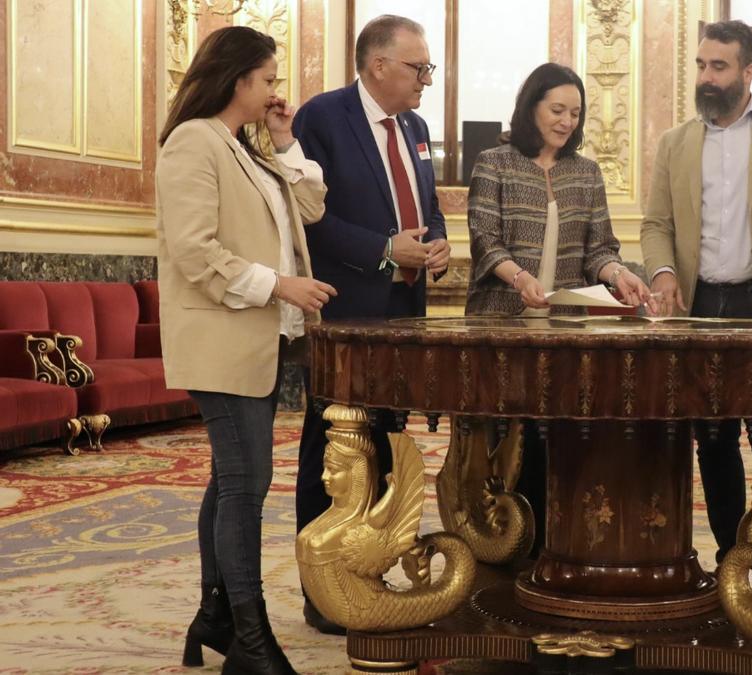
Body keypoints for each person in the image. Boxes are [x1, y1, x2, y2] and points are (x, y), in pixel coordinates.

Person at [156, 26, 333, 674]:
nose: (275, 91)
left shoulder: (245, 148)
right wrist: (280, 284)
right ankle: (250, 640)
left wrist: (284, 140)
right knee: (245, 481)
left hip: (253, 340)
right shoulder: (192, 143)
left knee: (233, 480)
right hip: (219, 339)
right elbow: (194, 251)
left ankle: (217, 616)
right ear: (238, 80)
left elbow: (311, 204)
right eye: (267, 80)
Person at [639, 19, 752, 563]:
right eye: (701, 65)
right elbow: (655, 225)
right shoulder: (675, 143)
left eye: (718, 66)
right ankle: (730, 554)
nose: (706, 76)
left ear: (748, 70)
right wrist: (663, 273)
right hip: (699, 308)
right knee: (713, 437)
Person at [290, 14, 450, 634]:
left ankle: (370, 574)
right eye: (419, 68)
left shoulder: (415, 127)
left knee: (386, 442)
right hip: (346, 311)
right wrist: (386, 249)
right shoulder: (323, 118)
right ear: (378, 65)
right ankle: (322, 592)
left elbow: (428, 207)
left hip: (404, 313)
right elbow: (310, 216)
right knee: (333, 450)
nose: (426, 81)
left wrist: (433, 244)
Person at [466, 62, 654, 553]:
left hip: (565, 326)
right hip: (502, 318)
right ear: (532, 108)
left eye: (575, 112)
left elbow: (599, 250)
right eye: (557, 109)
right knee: (503, 436)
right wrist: (520, 277)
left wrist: (620, 274)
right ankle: (498, 542)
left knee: (557, 433)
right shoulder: (494, 163)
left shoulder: (586, 173)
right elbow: (485, 240)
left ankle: (553, 543)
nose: (567, 121)